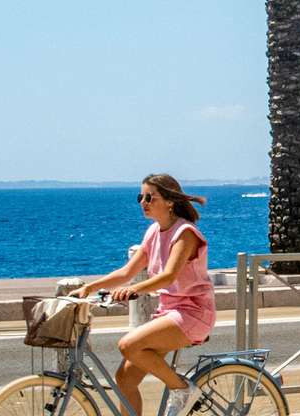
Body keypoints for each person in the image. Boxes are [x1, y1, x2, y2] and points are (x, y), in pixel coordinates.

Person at [76, 174, 216, 416]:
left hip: (193, 313)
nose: (143, 202)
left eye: (149, 197)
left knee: (128, 345)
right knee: (125, 379)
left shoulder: (185, 233)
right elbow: (128, 271)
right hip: (168, 314)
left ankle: (183, 389)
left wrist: (134, 289)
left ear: (170, 201)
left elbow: (169, 276)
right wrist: (89, 287)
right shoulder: (154, 232)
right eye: (140, 197)